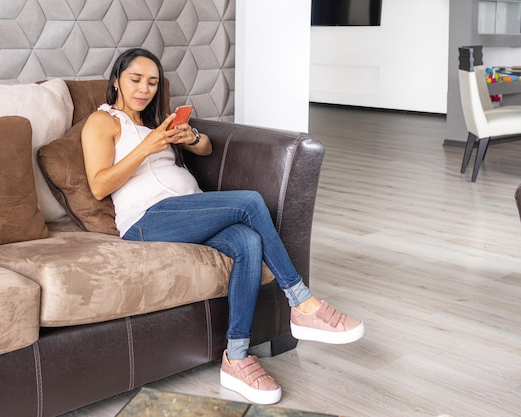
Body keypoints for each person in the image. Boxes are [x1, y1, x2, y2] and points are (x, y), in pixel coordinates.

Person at [81, 47, 364, 405]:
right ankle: (302, 303)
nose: (144, 89)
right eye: (135, 79)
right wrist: (147, 147)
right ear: (116, 81)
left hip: (186, 210)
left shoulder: (155, 123)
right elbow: (99, 185)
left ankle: (237, 355)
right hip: (146, 220)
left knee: (247, 241)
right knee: (249, 202)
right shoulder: (102, 121)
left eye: (152, 82)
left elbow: (207, 147)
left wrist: (189, 138)